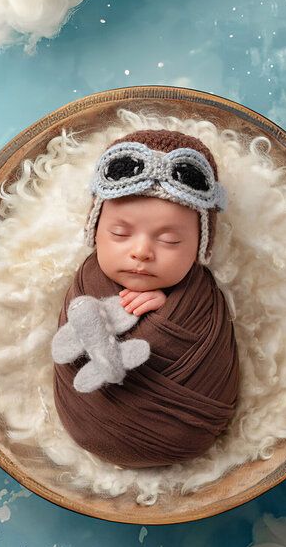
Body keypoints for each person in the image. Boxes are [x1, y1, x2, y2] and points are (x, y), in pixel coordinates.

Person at [51, 129, 240, 469]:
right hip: (90, 418)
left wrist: (169, 310)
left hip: (186, 428)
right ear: (95, 232)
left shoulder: (201, 297)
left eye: (169, 240)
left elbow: (211, 341)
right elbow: (69, 343)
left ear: (201, 248)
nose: (141, 252)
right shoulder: (88, 281)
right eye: (120, 234)